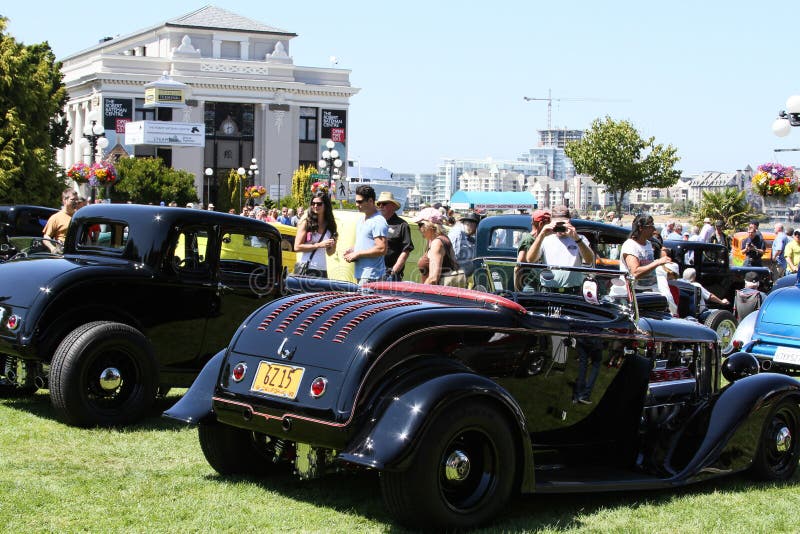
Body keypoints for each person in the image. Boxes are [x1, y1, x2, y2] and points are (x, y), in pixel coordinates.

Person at [524, 205, 594, 291]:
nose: (560, 227)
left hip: (572, 290)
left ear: (569, 222)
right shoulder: (545, 239)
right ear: (551, 223)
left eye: (563, 223)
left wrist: (577, 239)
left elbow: (589, 260)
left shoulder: (580, 238)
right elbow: (530, 260)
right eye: (557, 224)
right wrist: (541, 235)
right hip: (548, 290)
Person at [344, 185, 388, 284]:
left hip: (372, 275)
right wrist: (353, 249)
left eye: (360, 202)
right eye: (356, 201)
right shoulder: (361, 219)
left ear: (370, 201)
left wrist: (358, 253)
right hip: (362, 273)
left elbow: (381, 249)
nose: (356, 204)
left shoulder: (378, 221)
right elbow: (367, 243)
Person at [620, 214, 671, 293]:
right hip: (633, 292)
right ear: (641, 228)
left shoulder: (648, 244)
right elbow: (635, 273)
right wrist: (658, 262)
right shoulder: (630, 245)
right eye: (651, 226)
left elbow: (649, 267)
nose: (654, 229)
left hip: (650, 290)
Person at [294, 191, 337, 278]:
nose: (315, 206)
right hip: (307, 268)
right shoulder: (306, 223)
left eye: (319, 204)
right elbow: (297, 247)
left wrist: (333, 244)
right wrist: (319, 245)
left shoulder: (330, 225)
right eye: (313, 203)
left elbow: (330, 253)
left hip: (322, 269)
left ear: (326, 205)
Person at [415, 207, 463, 286]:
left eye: (420, 224)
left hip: (435, 294)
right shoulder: (442, 239)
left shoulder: (437, 243)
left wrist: (420, 292)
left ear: (430, 225)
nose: (419, 228)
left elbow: (433, 279)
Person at [376, 191, 414, 281]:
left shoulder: (402, 225)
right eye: (379, 204)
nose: (381, 206)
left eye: (384, 203)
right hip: (373, 272)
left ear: (393, 206)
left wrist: (393, 272)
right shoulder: (376, 223)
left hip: (389, 274)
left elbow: (406, 251)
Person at [516, 209, 551, 289]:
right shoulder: (529, 240)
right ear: (541, 224)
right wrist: (517, 290)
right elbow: (518, 267)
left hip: (541, 284)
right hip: (530, 285)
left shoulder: (544, 240)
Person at [42, 188, 79, 253]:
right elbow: (46, 237)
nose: (76, 202)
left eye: (77, 200)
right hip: (63, 254)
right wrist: (52, 248)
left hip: (79, 253)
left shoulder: (79, 216)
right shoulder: (55, 217)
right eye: (73, 200)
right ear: (64, 200)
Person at [448, 211, 479, 277]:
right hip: (458, 276)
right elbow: (453, 257)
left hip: (464, 275)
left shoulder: (467, 235)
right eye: (476, 227)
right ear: (470, 225)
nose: (476, 230)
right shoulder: (457, 234)